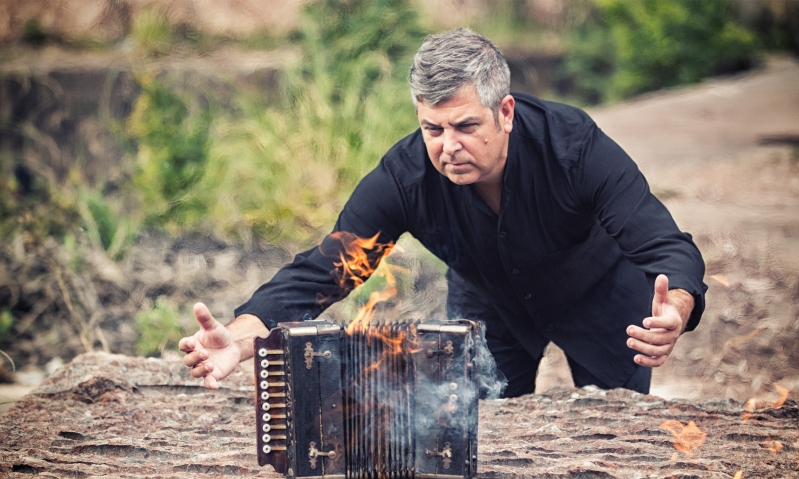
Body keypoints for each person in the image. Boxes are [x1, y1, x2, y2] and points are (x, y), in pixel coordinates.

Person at [179, 28, 706, 398]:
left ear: (505, 112)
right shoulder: (404, 178)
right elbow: (324, 272)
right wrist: (242, 338)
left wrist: (675, 311)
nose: (447, 146)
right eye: (433, 129)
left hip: (600, 298)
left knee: (612, 440)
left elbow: (666, 246)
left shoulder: (576, 148)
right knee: (483, 442)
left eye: (465, 126)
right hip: (490, 304)